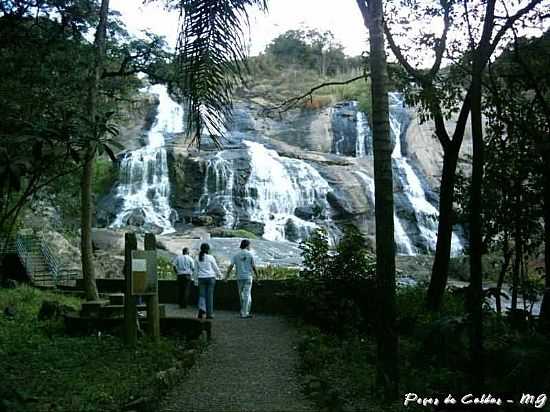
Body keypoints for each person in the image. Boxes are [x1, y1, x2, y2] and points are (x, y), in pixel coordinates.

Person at [227, 239, 258, 319]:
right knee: (247, 294)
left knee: (241, 294)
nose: (250, 247)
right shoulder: (250, 254)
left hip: (239, 277)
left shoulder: (236, 255)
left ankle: (243, 311)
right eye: (249, 245)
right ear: (247, 245)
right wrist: (257, 275)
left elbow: (231, 266)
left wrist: (227, 276)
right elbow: (254, 266)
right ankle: (245, 312)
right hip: (248, 277)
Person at [193, 243, 222, 319]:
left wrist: (195, 280)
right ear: (208, 249)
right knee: (209, 296)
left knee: (202, 296)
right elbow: (215, 267)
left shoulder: (197, 258)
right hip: (210, 278)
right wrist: (220, 275)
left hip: (201, 278)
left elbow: (195, 271)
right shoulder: (210, 257)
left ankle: (201, 311)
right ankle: (209, 314)